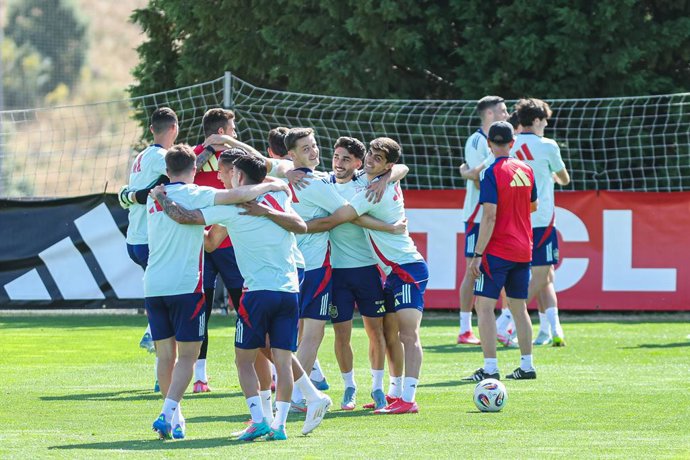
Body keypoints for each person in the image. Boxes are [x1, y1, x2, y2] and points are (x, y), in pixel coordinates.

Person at [152, 153, 332, 440]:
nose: (222, 178)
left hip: (257, 291)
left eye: (226, 173)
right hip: (289, 287)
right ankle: (284, 421)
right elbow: (213, 242)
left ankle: (262, 418)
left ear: (237, 176)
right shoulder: (278, 196)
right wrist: (271, 197)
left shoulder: (231, 207)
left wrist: (161, 198)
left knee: (246, 359)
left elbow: (185, 218)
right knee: (278, 355)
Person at [308, 137, 428, 414]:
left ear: (387, 165)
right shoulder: (374, 180)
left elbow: (341, 217)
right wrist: (386, 180)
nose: (372, 159)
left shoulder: (370, 191)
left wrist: (295, 225)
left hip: (406, 267)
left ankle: (408, 399)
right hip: (393, 270)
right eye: (371, 153)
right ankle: (395, 394)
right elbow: (402, 168)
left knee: (407, 336)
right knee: (392, 333)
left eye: (378, 157)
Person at [462, 121, 539, 382]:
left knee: (483, 307)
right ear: (512, 143)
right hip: (523, 248)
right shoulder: (526, 169)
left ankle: (490, 367)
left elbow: (490, 215)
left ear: (488, 144)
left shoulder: (490, 172)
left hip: (498, 250)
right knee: (519, 308)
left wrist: (478, 253)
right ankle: (527, 366)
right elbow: (533, 206)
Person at [120, 107, 178, 391]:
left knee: (163, 295)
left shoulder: (141, 157)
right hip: (150, 239)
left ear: (151, 129)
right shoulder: (161, 157)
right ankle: (154, 339)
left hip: (135, 238)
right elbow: (182, 170)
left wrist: (131, 195)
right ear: (174, 129)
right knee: (170, 302)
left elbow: (131, 195)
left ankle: (155, 340)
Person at [511, 98, 570, 347]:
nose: (546, 125)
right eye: (544, 120)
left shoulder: (510, 144)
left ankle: (551, 329)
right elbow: (565, 178)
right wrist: (552, 176)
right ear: (536, 121)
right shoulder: (547, 145)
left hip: (516, 218)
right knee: (543, 271)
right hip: (542, 217)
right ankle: (507, 320)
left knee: (547, 274)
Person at [457, 96, 511, 346]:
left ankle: (503, 325)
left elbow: (479, 173)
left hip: (498, 215)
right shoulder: (477, 140)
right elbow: (480, 179)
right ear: (489, 114)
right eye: (502, 110)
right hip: (478, 216)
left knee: (501, 269)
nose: (507, 114)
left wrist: (470, 172)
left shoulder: (505, 141)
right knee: (473, 269)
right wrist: (471, 174)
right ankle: (465, 328)